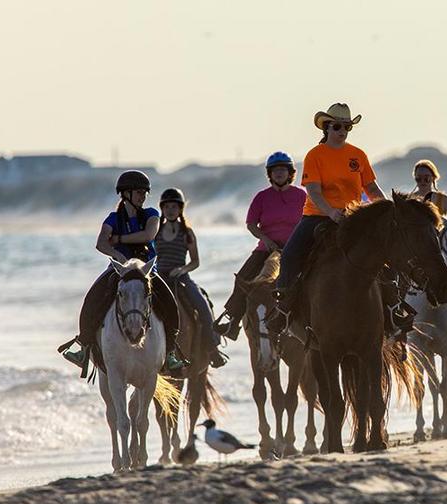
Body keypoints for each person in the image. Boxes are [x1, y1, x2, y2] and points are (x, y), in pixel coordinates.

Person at [273, 103, 411, 339]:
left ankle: (394, 309)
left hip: (354, 219)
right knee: (289, 256)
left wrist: (390, 209)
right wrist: (331, 212)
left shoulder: (358, 155)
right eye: (337, 126)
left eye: (347, 127)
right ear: (326, 127)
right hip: (317, 217)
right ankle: (283, 310)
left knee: (386, 255)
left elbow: (371, 187)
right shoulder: (315, 155)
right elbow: (314, 192)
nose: (342, 131)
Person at [59, 170, 187, 376]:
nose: (143, 196)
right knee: (92, 299)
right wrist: (116, 255)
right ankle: (83, 346)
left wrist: (118, 240)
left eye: (145, 192)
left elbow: (148, 234)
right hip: (119, 270)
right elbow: (100, 243)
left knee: (170, 304)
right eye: (138, 192)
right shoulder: (112, 218)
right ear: (125, 194)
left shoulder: (152, 214)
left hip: (146, 271)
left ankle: (171, 353)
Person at [213, 152, 306, 340]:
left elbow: (307, 220)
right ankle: (233, 320)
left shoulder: (301, 195)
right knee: (243, 278)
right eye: (275, 170)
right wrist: (266, 240)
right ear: (269, 174)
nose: (279, 173)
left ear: (290, 173)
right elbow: (251, 224)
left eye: (283, 169)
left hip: (295, 248)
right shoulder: (262, 197)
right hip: (266, 249)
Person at [154, 188, 228, 368]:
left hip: (181, 278)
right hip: (160, 277)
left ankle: (212, 350)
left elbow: (195, 261)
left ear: (180, 209)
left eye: (174, 206)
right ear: (162, 209)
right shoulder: (155, 231)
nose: (171, 210)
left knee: (202, 305)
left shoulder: (187, 233)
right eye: (167, 207)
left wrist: (182, 269)